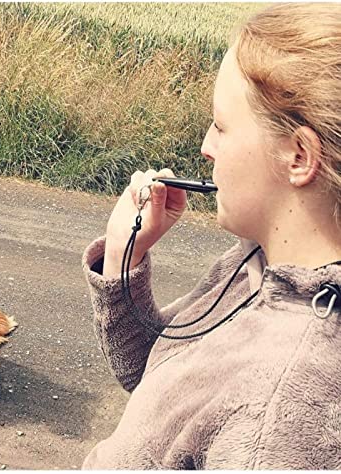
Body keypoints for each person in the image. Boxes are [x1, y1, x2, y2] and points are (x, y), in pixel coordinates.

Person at [81, 3, 341, 469]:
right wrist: (125, 257)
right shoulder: (254, 266)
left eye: (222, 126)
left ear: (298, 156)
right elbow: (159, 380)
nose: (206, 146)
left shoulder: (278, 417)